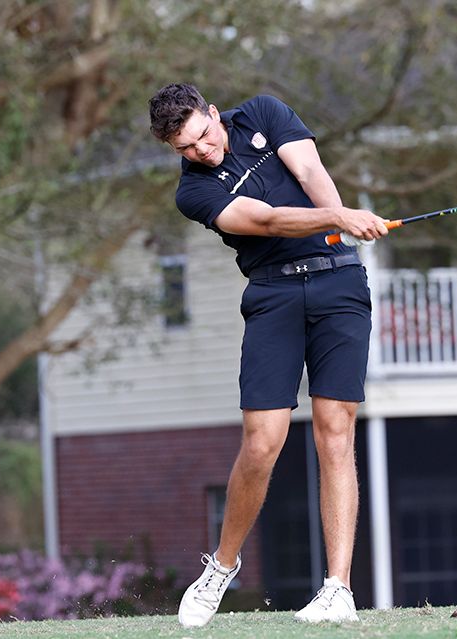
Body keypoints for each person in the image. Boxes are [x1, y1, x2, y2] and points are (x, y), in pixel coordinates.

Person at [148, 83, 389, 627]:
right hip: (272, 294)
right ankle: (221, 567)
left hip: (338, 285)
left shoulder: (263, 112)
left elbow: (308, 172)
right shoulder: (194, 194)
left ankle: (338, 589)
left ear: (214, 113)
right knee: (263, 441)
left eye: (204, 136)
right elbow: (268, 219)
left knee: (335, 430)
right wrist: (343, 218)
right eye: (185, 149)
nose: (201, 152)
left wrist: (338, 223)